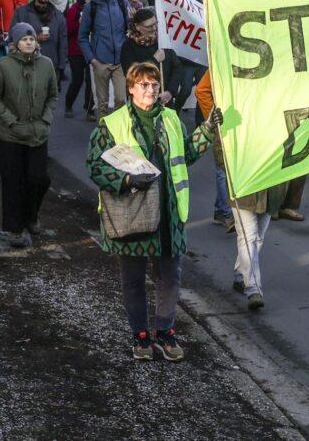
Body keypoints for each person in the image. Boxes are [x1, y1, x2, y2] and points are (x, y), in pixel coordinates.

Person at [86, 62, 221, 360]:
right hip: (131, 211)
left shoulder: (172, 119)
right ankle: (140, 336)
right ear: (131, 88)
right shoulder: (112, 123)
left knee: (169, 276)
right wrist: (125, 180)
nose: (150, 90)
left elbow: (184, 153)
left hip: (169, 212)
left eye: (154, 85)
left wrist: (208, 129)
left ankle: (165, 331)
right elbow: (95, 165)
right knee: (133, 278)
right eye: (144, 85)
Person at [195, 70, 288, 309]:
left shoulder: (280, 107)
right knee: (248, 234)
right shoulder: (233, 111)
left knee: (258, 236)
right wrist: (216, 124)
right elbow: (203, 90)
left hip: (271, 183)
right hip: (243, 179)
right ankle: (253, 288)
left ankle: (240, 273)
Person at [0, 23, 58, 248]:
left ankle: (31, 216)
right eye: (24, 39)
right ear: (15, 42)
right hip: (12, 136)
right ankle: (15, 229)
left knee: (39, 179)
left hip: (38, 133)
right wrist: (10, 120)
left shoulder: (46, 64)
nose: (29, 42)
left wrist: (46, 119)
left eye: (31, 39)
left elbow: (53, 96)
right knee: (13, 182)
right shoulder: (3, 65)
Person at [79, 0, 129, 119]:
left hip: (120, 61)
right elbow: (82, 37)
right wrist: (92, 60)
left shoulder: (121, 2)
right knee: (102, 104)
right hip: (100, 61)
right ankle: (103, 136)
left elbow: (128, 30)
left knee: (121, 99)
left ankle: (119, 133)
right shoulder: (90, 7)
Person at [195, 71, 234, 230]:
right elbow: (201, 90)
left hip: (237, 121)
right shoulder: (221, 59)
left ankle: (222, 210)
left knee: (226, 169)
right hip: (226, 123)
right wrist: (214, 118)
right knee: (223, 169)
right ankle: (225, 213)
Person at [12, 0, 68, 80]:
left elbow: (63, 43)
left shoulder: (58, 15)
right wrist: (35, 39)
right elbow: (13, 39)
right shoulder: (21, 13)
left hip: (51, 66)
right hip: (26, 66)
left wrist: (61, 68)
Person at [65, 0, 95, 120]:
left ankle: (89, 110)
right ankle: (68, 104)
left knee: (91, 81)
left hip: (91, 51)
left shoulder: (96, 10)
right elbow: (68, 30)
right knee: (77, 80)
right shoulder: (74, 10)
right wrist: (79, 23)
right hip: (76, 51)